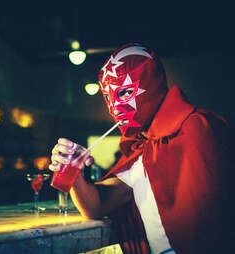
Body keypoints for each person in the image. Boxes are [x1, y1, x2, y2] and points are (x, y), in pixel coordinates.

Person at [49, 43, 234, 254]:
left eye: (125, 92)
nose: (115, 108)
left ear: (151, 83)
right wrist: (75, 171)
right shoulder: (141, 149)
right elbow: (97, 206)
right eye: (108, 98)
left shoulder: (198, 129)